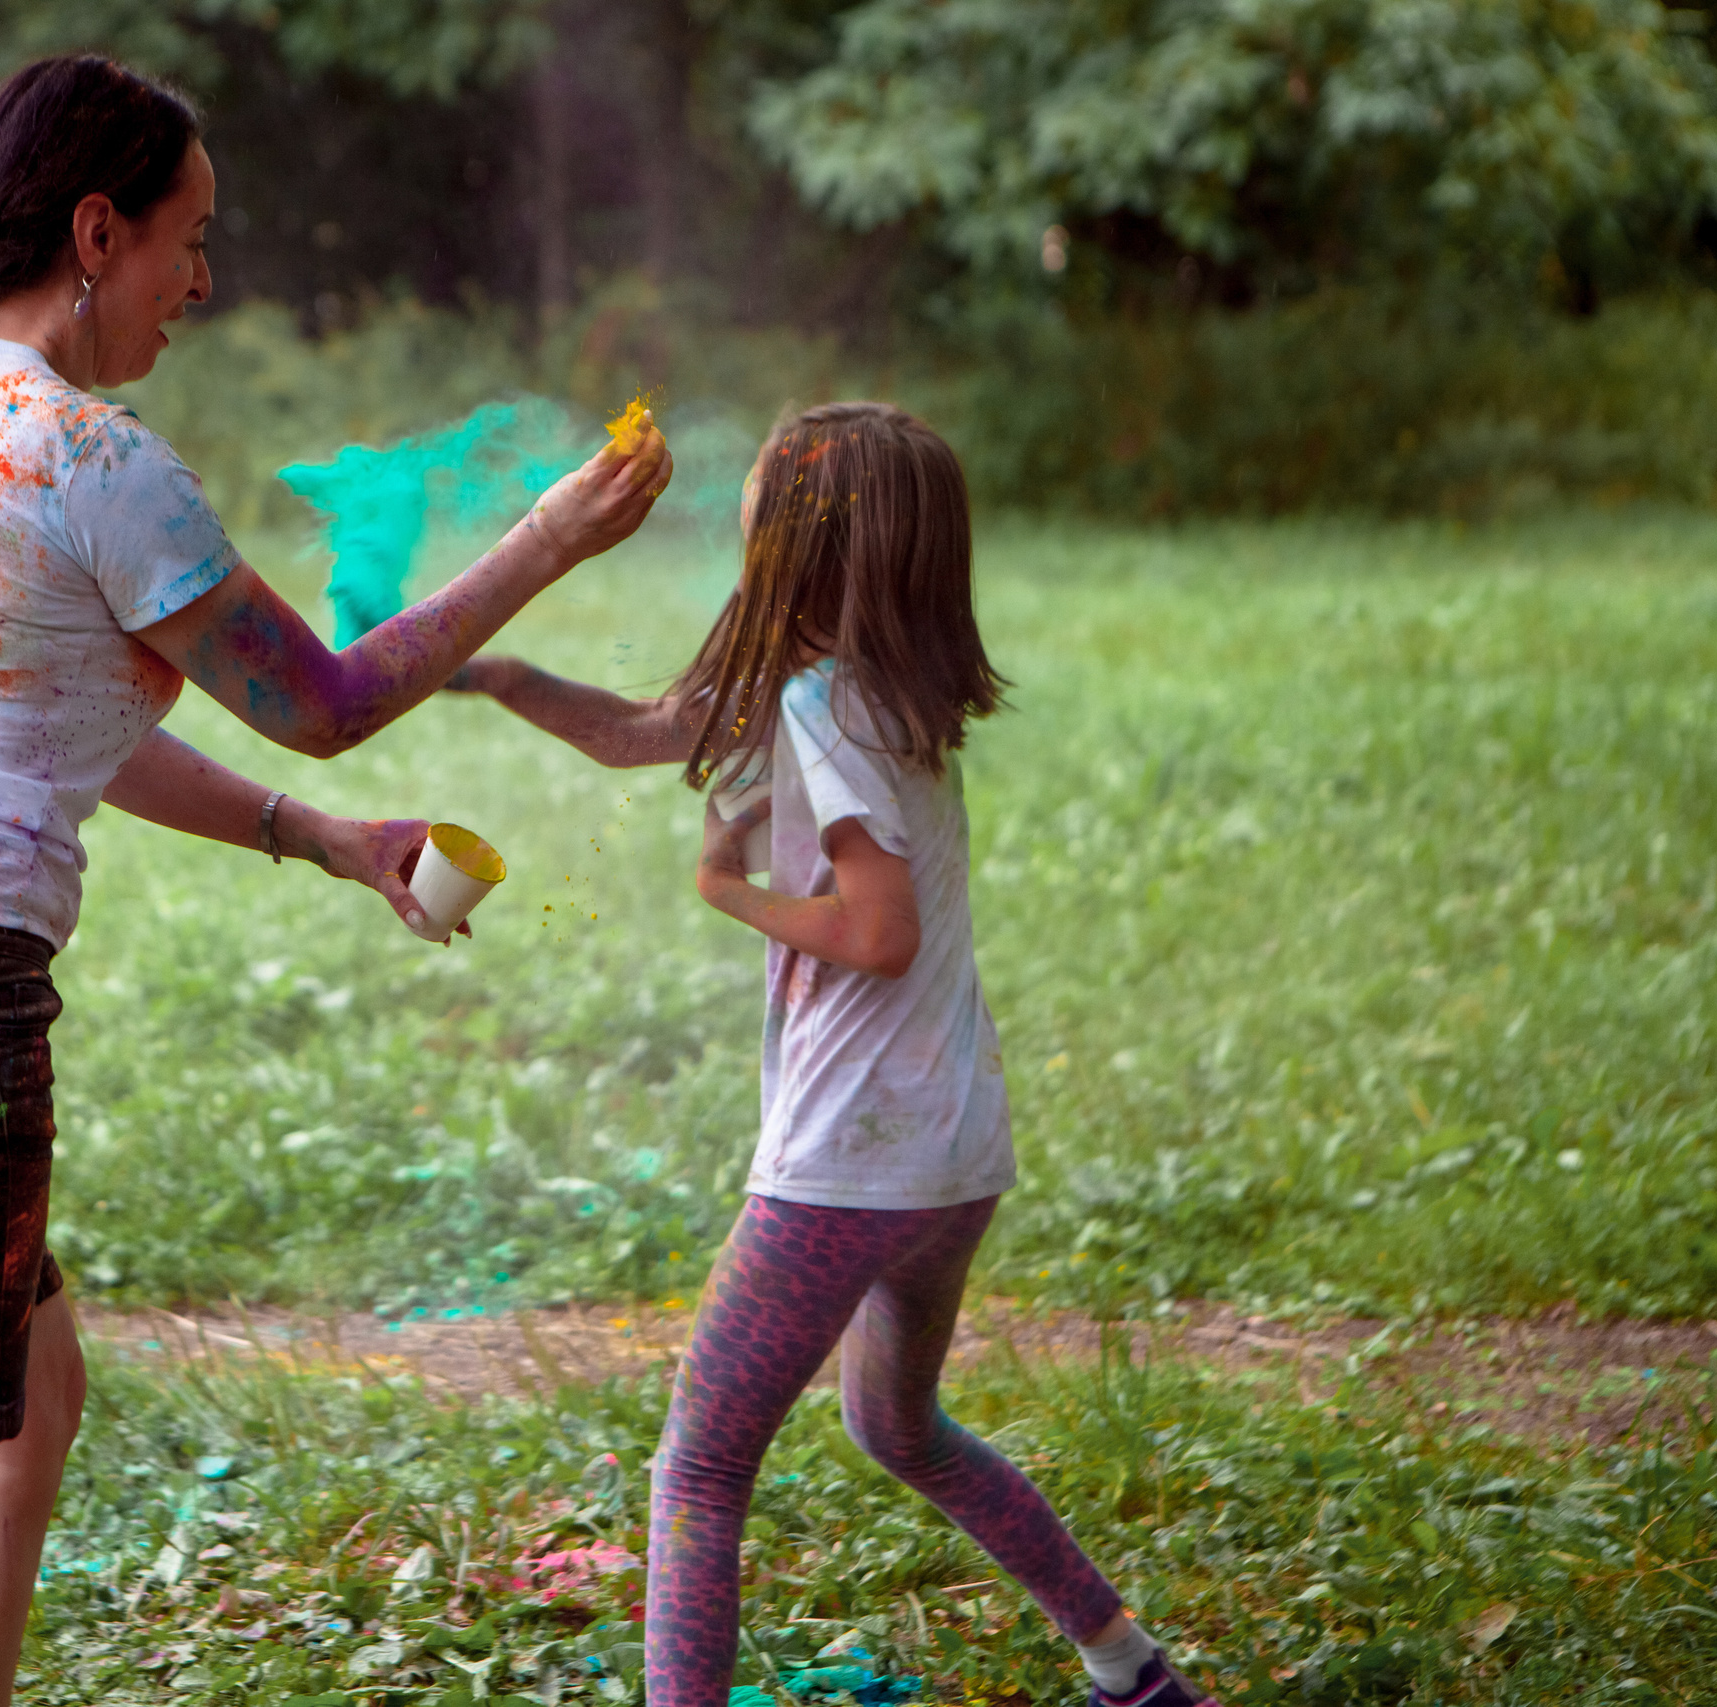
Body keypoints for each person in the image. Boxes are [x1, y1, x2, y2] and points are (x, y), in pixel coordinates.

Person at [0, 54, 671, 1707]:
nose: (203, 280)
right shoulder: (93, 460)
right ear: (96, 231)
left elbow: (62, 738)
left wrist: (324, 843)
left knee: (36, 1396)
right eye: (187, 239)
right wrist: (550, 544)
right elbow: (332, 700)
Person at [449, 403, 1217, 1707]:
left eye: (760, 506)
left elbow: (876, 930)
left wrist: (728, 891)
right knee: (897, 1428)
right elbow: (647, 731)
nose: (743, 523)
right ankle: (1129, 1670)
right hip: (951, 1158)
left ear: (802, 548)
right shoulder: (878, 700)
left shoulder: (817, 707)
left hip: (846, 1168)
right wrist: (497, 676)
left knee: (698, 1472)